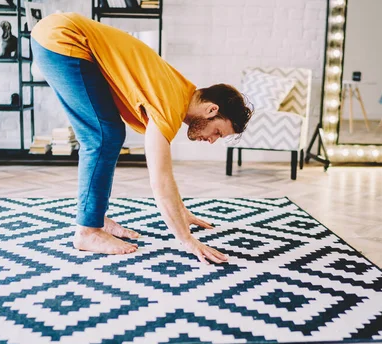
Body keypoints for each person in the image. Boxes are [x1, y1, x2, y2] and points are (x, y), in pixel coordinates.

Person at [31, 12, 252, 264]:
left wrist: (180, 210)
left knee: (107, 134)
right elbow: (160, 180)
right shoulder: (170, 105)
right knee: (103, 136)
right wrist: (186, 240)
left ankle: (94, 217)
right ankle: (87, 231)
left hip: (57, 35)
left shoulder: (181, 90)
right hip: (62, 39)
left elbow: (165, 178)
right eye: (217, 132)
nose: (212, 141)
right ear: (212, 110)